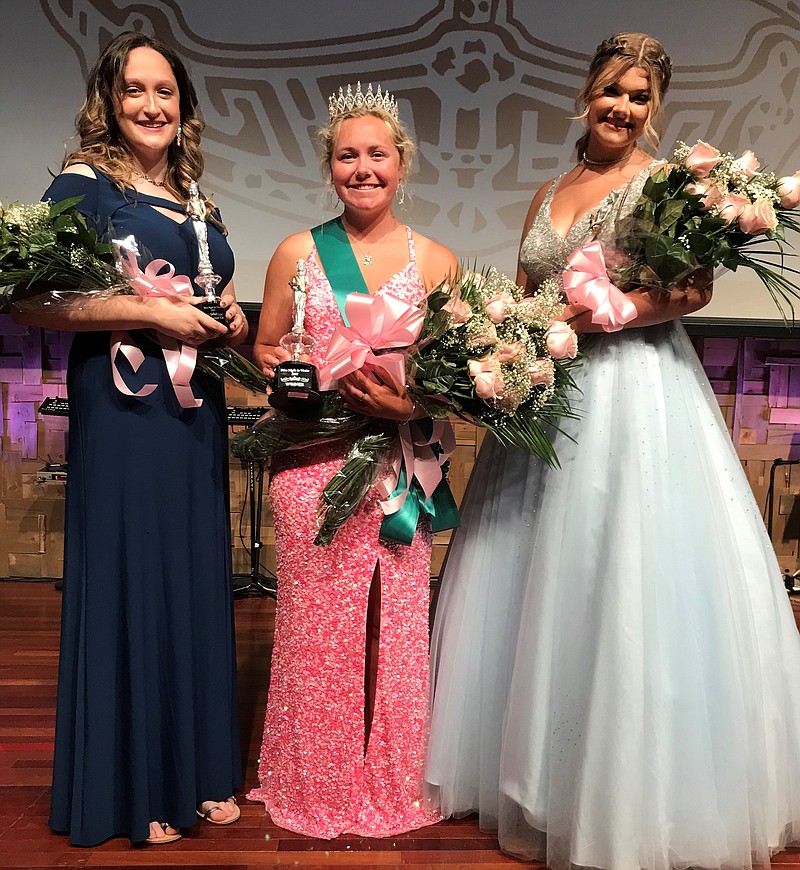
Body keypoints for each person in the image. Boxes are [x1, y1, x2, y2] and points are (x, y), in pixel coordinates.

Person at [426, 32, 800, 870]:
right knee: (527, 579)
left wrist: (597, 317)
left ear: (654, 112)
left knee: (621, 570)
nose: (624, 109)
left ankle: (626, 787)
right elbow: (524, 294)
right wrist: (506, 346)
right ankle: (534, 768)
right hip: (548, 399)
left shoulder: (665, 186)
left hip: (635, 396)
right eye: (613, 91)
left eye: (641, 98)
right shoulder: (550, 190)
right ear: (587, 95)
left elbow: (693, 290)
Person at [14, 32, 246, 846]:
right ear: (109, 103)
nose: (152, 105)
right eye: (135, 91)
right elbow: (32, 303)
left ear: (184, 106)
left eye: (166, 92)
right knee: (135, 573)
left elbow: (199, 288)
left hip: (194, 407)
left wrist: (228, 318)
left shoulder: (195, 198)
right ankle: (134, 785)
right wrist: (150, 312)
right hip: (124, 407)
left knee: (188, 574)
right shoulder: (84, 184)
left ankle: (198, 772)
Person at [246, 83, 458, 839]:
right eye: (347, 156)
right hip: (311, 458)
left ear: (402, 164)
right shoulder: (298, 253)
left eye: (377, 155)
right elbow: (268, 344)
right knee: (317, 627)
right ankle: (311, 776)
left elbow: (450, 374)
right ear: (328, 166)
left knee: (396, 625)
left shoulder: (436, 261)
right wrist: (293, 370)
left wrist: (407, 404)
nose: (362, 168)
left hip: (398, 464)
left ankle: (394, 776)